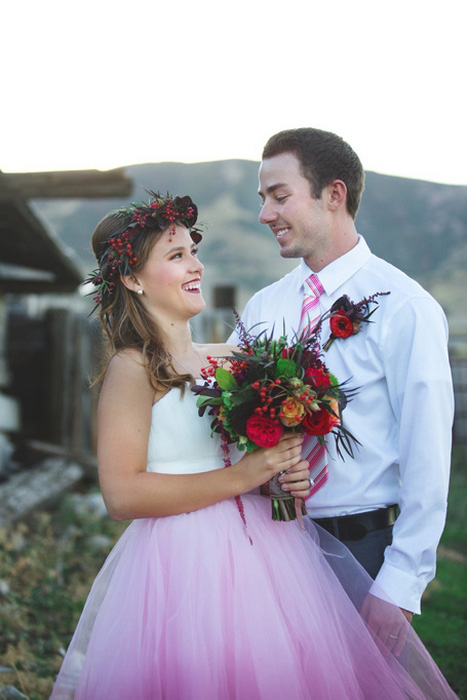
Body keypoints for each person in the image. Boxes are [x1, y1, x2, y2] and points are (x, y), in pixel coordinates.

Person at [50, 191, 457, 699]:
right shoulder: (134, 368)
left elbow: (245, 457)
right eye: (175, 256)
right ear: (132, 279)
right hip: (183, 567)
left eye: (193, 251)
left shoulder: (230, 358)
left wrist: (280, 476)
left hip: (269, 557)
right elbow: (122, 494)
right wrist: (245, 476)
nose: (195, 265)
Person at [229, 128, 455, 627]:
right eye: (263, 199)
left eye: (279, 196)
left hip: (363, 550)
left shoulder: (405, 307)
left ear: (334, 195)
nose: (265, 214)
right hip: (267, 544)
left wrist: (400, 583)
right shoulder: (265, 306)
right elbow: (231, 422)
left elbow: (428, 454)